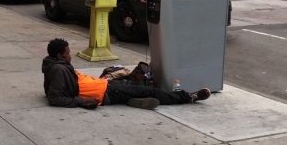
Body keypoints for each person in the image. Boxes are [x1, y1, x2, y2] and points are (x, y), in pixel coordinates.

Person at [42, 38, 211, 110]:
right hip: (105, 93)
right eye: (68, 53)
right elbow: (54, 98)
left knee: (136, 85)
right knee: (150, 91)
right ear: (59, 56)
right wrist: (81, 100)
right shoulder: (57, 69)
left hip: (105, 86)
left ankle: (132, 100)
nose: (70, 55)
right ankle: (188, 97)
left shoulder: (56, 65)